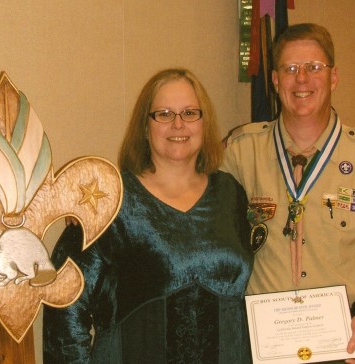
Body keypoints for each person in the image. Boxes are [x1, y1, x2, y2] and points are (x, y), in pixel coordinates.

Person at [222, 23, 355, 364]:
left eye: (314, 68)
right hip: (265, 345)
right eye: (290, 69)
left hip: (351, 339)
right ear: (276, 81)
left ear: (333, 77)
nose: (302, 79)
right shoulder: (238, 153)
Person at [43, 68, 253, 363]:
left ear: (205, 123)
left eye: (190, 113)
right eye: (164, 114)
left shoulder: (230, 193)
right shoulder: (111, 199)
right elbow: (64, 303)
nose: (178, 124)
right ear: (145, 125)